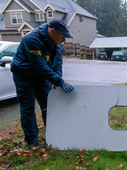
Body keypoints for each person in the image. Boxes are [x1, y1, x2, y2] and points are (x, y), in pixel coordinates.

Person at [11, 19, 74, 148]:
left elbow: (58, 64)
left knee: (49, 105)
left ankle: (53, 134)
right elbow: (41, 66)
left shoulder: (56, 44)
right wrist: (59, 81)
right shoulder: (32, 39)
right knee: (28, 108)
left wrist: (57, 79)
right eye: (61, 37)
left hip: (41, 76)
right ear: (52, 31)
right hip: (24, 75)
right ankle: (32, 140)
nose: (63, 41)